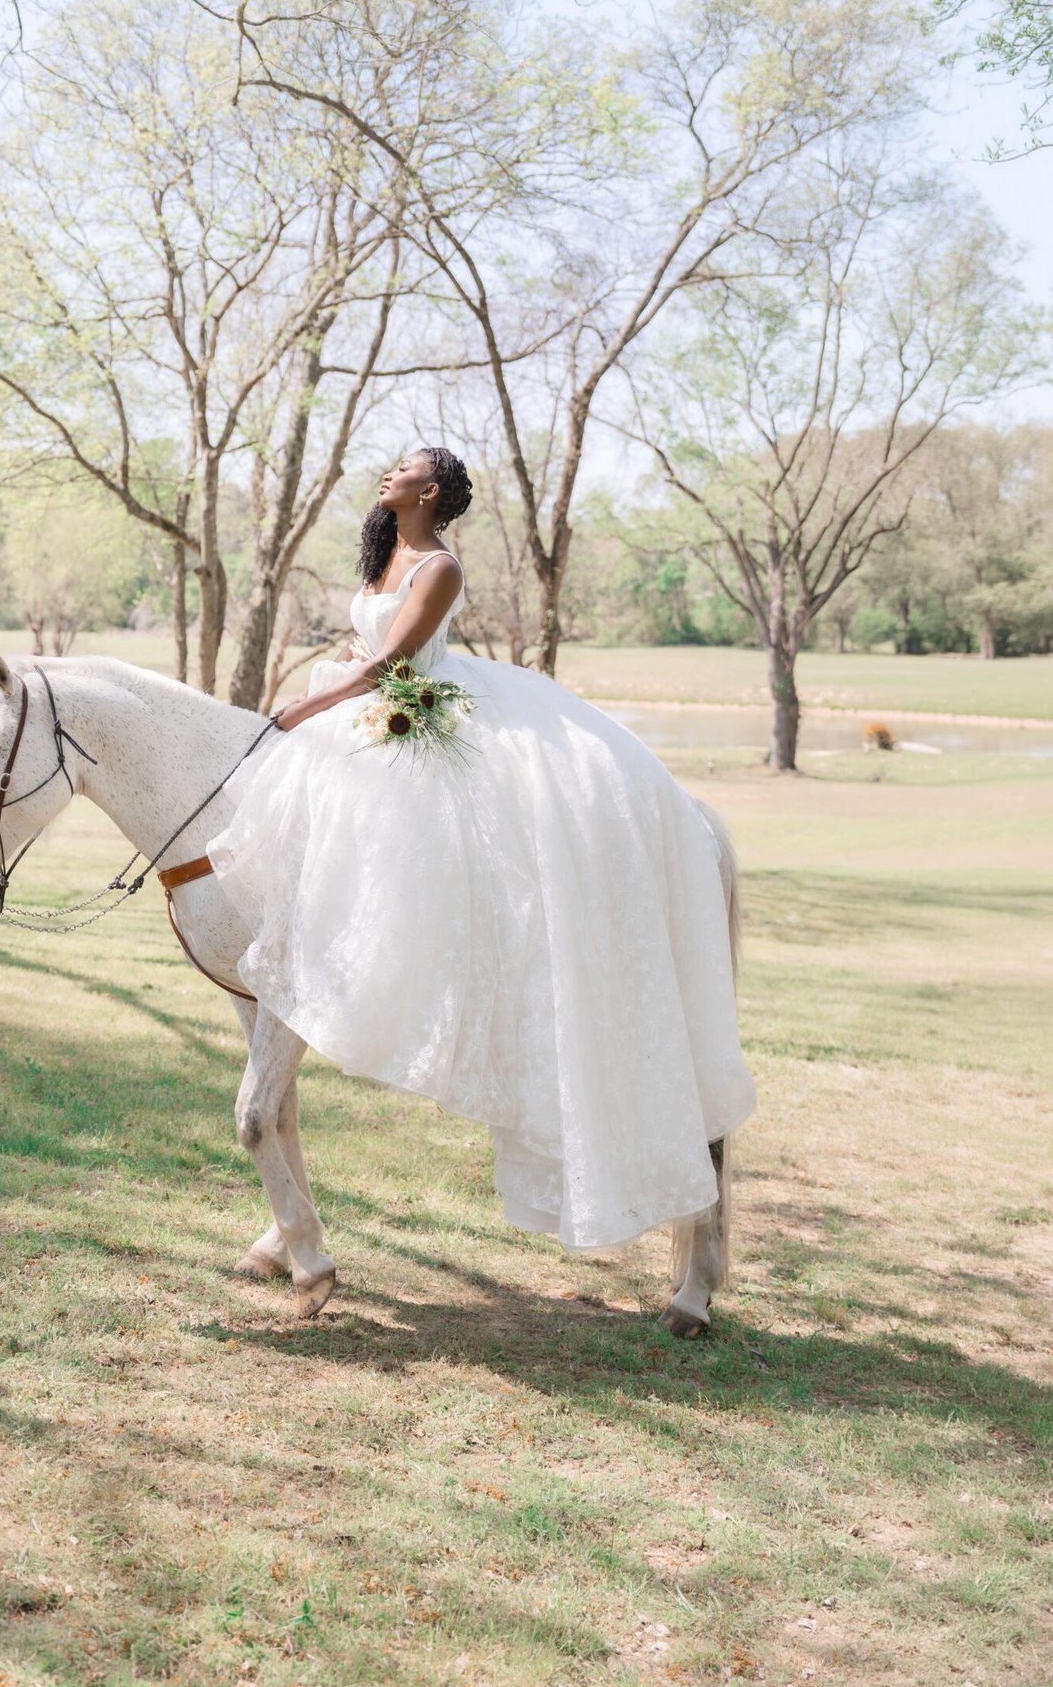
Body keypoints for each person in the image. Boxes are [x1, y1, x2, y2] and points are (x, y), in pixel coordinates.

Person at [206, 445, 756, 1251]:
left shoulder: (439, 567)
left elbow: (396, 661)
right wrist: (324, 692)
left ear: (428, 492)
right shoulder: (386, 552)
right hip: (374, 710)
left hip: (428, 712)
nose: (384, 473)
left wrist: (304, 707)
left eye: (400, 468)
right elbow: (369, 652)